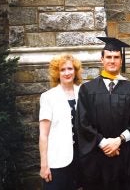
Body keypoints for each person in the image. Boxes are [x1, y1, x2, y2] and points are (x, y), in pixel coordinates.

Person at [76, 37, 130, 190]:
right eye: (108, 57)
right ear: (101, 59)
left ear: (121, 61)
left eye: (116, 57)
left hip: (124, 156)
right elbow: (82, 123)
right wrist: (103, 143)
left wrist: (118, 141)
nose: (112, 61)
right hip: (97, 156)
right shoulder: (87, 89)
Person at [39, 54, 83, 190]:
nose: (67, 73)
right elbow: (43, 135)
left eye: (70, 68)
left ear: (75, 71)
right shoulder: (48, 97)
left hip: (81, 159)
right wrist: (44, 164)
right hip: (58, 160)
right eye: (62, 70)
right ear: (57, 73)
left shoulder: (83, 92)